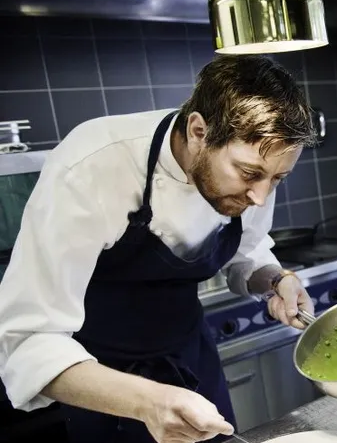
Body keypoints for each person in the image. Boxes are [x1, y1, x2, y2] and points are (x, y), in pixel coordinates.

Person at [0, 55, 319, 443]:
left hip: (195, 363)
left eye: (278, 179)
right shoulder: (92, 165)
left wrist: (276, 280)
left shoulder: (256, 174)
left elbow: (247, 253)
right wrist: (147, 402)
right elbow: (26, 342)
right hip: (105, 386)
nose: (260, 195)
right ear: (199, 130)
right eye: (249, 174)